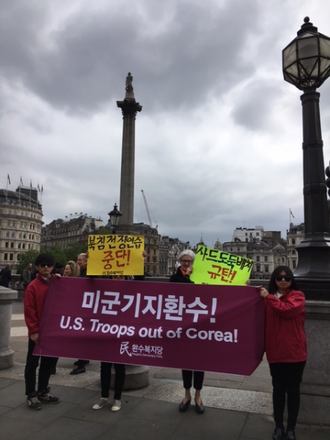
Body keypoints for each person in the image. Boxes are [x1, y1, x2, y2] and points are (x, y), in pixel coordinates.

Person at [259, 266, 307, 440]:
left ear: (292, 279)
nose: (283, 280)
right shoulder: (268, 299)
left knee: (293, 392)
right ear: (274, 279)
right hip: (276, 352)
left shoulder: (298, 296)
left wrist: (268, 297)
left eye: (287, 277)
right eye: (279, 278)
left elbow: (287, 310)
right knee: (278, 391)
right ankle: (278, 426)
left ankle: (291, 428)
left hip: (295, 352)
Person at [170, 249, 205, 415]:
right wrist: (187, 277)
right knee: (185, 361)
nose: (186, 263)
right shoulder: (175, 277)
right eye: (183, 260)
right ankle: (186, 394)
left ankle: (198, 395)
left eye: (189, 261)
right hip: (182, 325)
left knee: (199, 361)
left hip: (199, 324)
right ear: (179, 262)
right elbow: (177, 290)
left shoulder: (201, 277)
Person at [24, 253, 59, 410]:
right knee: (32, 364)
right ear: (37, 267)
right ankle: (31, 395)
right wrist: (33, 331)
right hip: (38, 332)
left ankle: (43, 391)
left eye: (49, 264)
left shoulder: (57, 282)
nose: (46, 267)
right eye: (43, 265)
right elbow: (29, 311)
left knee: (47, 363)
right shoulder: (32, 286)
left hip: (52, 331)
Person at [70, 253, 89, 374]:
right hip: (82, 306)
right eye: (77, 260)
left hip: (86, 308)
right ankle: (84, 359)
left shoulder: (88, 272)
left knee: (82, 337)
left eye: (80, 260)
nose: (78, 262)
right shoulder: (81, 272)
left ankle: (82, 364)